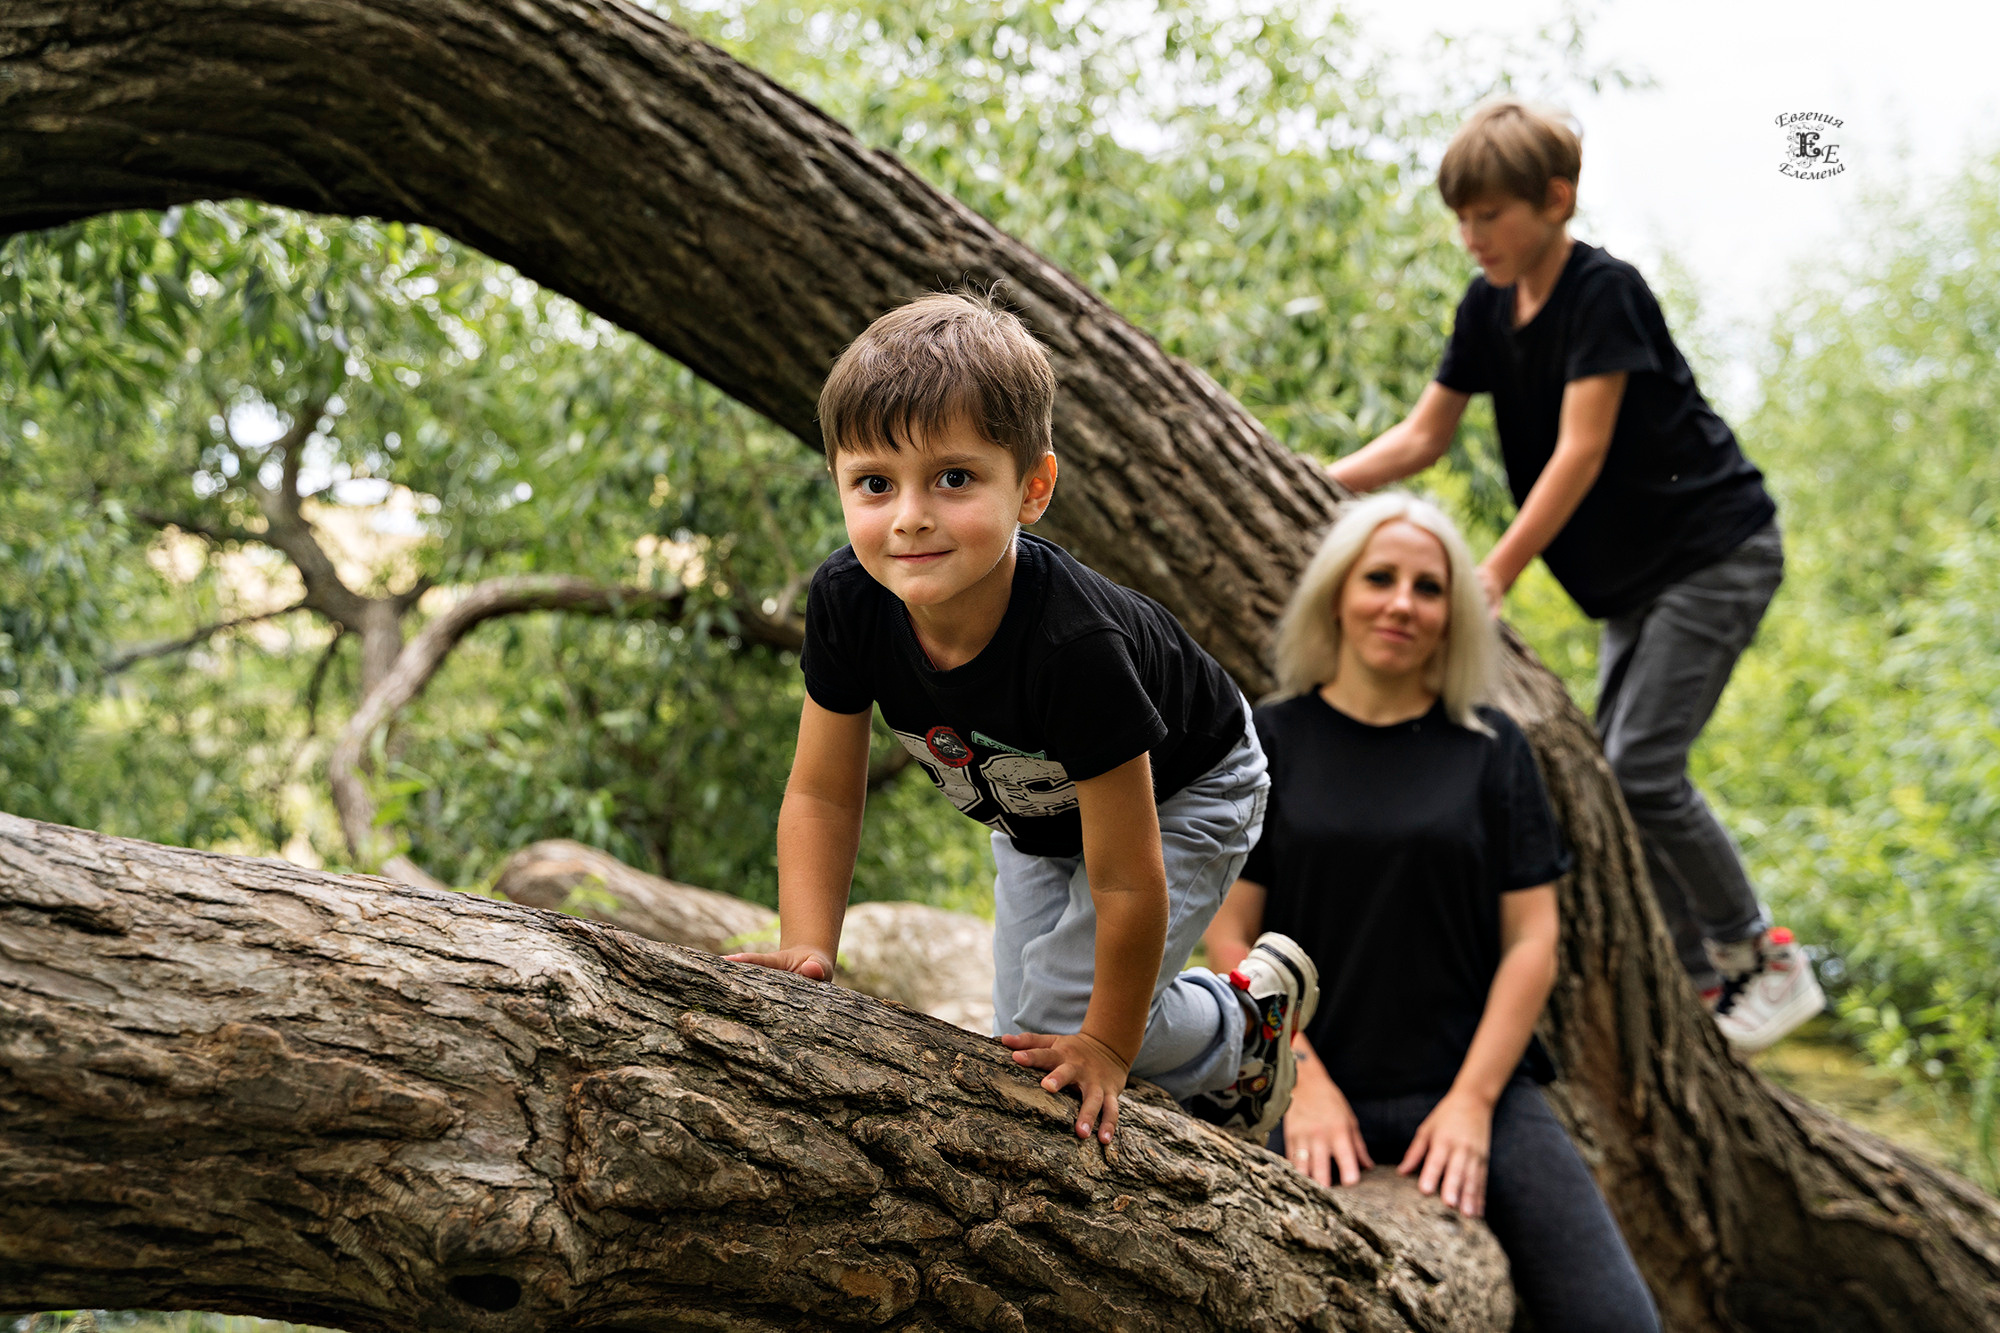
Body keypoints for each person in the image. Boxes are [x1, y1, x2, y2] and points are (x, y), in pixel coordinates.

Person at [726, 290, 1318, 1145]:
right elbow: (822, 794)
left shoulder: (1073, 645)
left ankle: (1244, 1029)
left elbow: (1127, 878)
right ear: (839, 485)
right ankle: (1197, 1051)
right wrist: (808, 945)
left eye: (954, 477)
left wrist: (1110, 1046)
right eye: (874, 483)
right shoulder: (848, 603)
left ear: (1032, 487)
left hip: (1188, 786)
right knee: (1026, 1040)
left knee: (1066, 1026)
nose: (911, 515)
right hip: (1042, 811)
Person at [1326, 99, 1823, 1051]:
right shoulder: (1487, 307)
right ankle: (1693, 975)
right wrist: (1313, 480)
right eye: (1462, 219)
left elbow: (1580, 450)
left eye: (1491, 216)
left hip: (1715, 554)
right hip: (1638, 582)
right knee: (1606, 773)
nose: (1472, 238)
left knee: (1640, 766)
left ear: (1556, 200)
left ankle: (1760, 954)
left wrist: (1496, 569)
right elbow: (1428, 435)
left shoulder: (1605, 292)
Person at [1206, 493, 1660, 1333]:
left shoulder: (1493, 749)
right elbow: (1229, 932)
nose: (1402, 602)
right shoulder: (1269, 737)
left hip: (1469, 1082)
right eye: (1381, 577)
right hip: (1301, 1084)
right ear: (1337, 591)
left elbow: (1534, 940)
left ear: (1454, 615)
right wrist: (1300, 1081)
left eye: (1429, 586)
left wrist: (1473, 1102)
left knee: (1620, 1322)